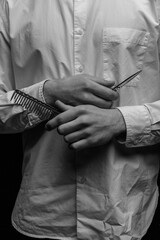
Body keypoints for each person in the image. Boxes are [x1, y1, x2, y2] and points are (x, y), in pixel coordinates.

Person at [0, 0, 160, 239]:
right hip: (43, 216)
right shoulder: (10, 5)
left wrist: (121, 121)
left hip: (129, 217)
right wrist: (47, 93)